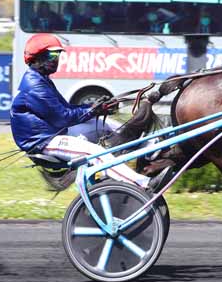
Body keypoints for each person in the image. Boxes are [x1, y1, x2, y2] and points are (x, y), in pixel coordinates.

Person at [10, 33, 170, 190]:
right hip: (43, 142)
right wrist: (94, 110)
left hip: (54, 132)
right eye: (52, 55)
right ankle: (144, 183)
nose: (56, 59)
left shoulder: (42, 79)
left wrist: (96, 108)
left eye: (58, 55)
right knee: (94, 151)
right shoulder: (35, 85)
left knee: (102, 124)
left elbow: (67, 109)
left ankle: (147, 146)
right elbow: (63, 118)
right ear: (36, 58)